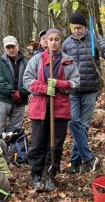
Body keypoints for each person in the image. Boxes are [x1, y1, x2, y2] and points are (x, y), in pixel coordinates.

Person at [61, 10, 105, 173]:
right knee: (74, 123)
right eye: (74, 28)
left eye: (80, 28)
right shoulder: (66, 44)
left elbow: (104, 49)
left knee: (84, 125)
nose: (77, 31)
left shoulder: (93, 38)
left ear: (85, 27)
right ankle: (88, 158)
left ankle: (75, 162)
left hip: (90, 89)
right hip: (73, 91)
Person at [23, 27, 80, 191]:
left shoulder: (68, 61)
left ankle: (50, 173)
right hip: (40, 108)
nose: (53, 42)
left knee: (55, 143)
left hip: (60, 109)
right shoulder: (37, 60)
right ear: (45, 41)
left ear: (60, 41)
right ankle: (37, 174)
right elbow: (27, 80)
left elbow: (76, 82)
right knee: (38, 143)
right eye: (50, 39)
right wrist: (44, 88)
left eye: (56, 39)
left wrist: (60, 84)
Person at [0, 36, 30, 137]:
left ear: (17, 46)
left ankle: (13, 151)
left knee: (16, 130)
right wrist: (13, 92)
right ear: (4, 49)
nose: (11, 50)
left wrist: (21, 92)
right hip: (2, 100)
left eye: (13, 46)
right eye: (8, 47)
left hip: (20, 101)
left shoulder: (26, 62)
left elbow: (31, 80)